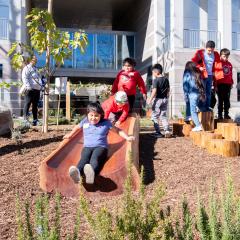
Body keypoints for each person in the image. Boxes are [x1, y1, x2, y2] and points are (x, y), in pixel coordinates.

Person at [66, 102, 135, 184]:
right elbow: (77, 127)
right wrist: (70, 135)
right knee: (84, 159)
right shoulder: (85, 121)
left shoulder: (106, 123)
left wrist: (127, 137)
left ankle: (91, 175)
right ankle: (77, 174)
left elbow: (117, 130)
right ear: (87, 114)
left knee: (94, 159)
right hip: (87, 147)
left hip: (101, 147)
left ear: (100, 116)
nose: (93, 118)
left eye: (96, 116)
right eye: (91, 115)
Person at [191, 40, 224, 112]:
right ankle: (201, 107)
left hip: (210, 76)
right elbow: (193, 61)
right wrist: (199, 67)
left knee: (209, 92)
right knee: (202, 92)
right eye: (209, 50)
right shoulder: (200, 53)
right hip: (202, 75)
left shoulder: (215, 54)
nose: (210, 52)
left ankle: (207, 107)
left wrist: (216, 74)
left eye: (211, 50)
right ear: (206, 48)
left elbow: (218, 64)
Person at [146, 64, 171, 138]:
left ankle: (158, 132)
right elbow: (168, 90)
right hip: (165, 99)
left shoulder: (155, 80)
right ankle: (167, 130)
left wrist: (150, 100)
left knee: (154, 116)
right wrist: (167, 97)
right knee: (163, 116)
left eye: (153, 73)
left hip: (158, 100)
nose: (153, 74)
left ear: (156, 72)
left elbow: (154, 91)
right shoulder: (166, 79)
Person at [183, 61, 206, 132]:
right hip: (199, 94)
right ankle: (188, 117)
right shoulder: (197, 73)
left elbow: (185, 85)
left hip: (192, 94)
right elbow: (202, 84)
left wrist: (186, 95)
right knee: (194, 108)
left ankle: (198, 125)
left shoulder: (187, 74)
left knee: (193, 111)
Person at [22, 55, 42, 126]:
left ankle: (35, 120)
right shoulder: (27, 68)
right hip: (30, 89)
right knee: (27, 103)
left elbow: (39, 77)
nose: (35, 60)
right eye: (34, 59)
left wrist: (41, 85)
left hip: (37, 89)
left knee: (35, 105)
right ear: (30, 60)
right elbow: (24, 77)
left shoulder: (36, 68)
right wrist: (28, 86)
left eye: (36, 59)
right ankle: (25, 120)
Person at [216, 48, 233, 119]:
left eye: (227, 56)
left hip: (228, 84)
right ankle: (220, 114)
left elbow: (230, 74)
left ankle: (226, 114)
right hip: (220, 84)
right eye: (224, 56)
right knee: (220, 100)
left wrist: (231, 83)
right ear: (220, 55)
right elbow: (216, 75)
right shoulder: (218, 63)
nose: (225, 58)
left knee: (227, 100)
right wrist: (215, 85)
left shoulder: (229, 64)